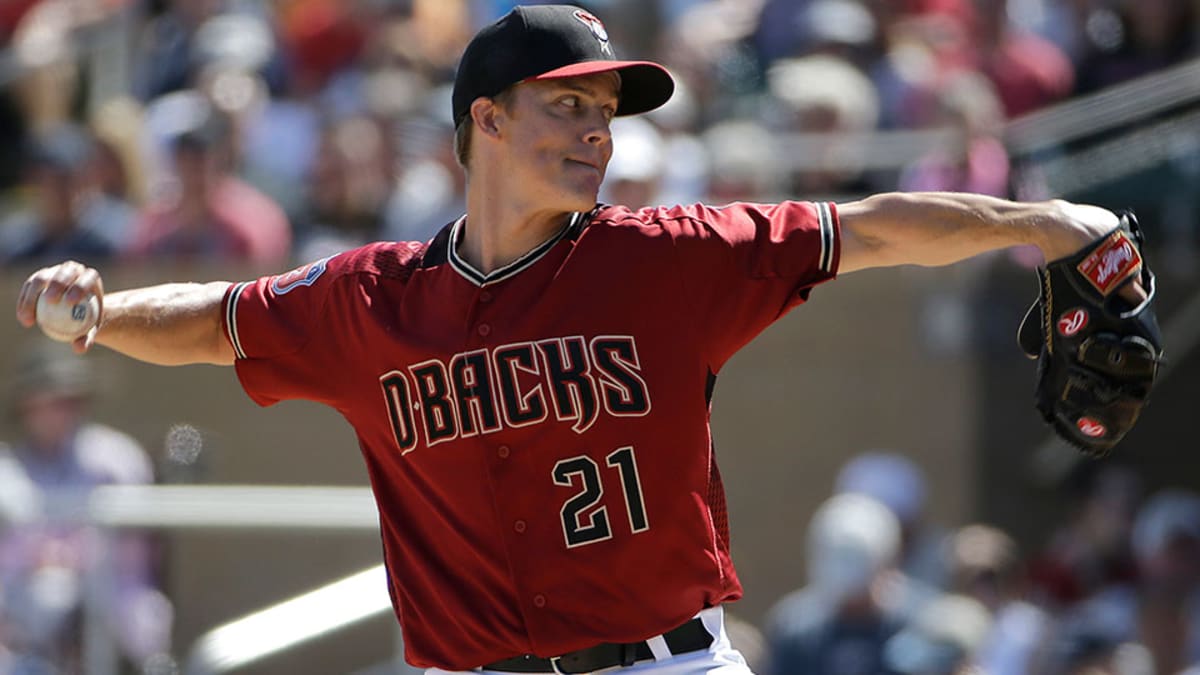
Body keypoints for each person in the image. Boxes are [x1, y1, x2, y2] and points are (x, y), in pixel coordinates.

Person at [13, 5, 1147, 674]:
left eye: (607, 115)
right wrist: (104, 315)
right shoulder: (371, 299)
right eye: (568, 105)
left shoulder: (664, 255)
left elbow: (872, 230)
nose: (596, 134)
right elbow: (216, 323)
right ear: (486, 121)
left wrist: (1049, 221)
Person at [0, 343, 173, 674]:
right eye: (51, 399)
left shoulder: (115, 459)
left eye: (71, 399)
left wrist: (77, 555)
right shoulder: (7, 468)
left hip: (111, 614)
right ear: (27, 403)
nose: (63, 410)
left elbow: (134, 560)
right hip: (22, 631)